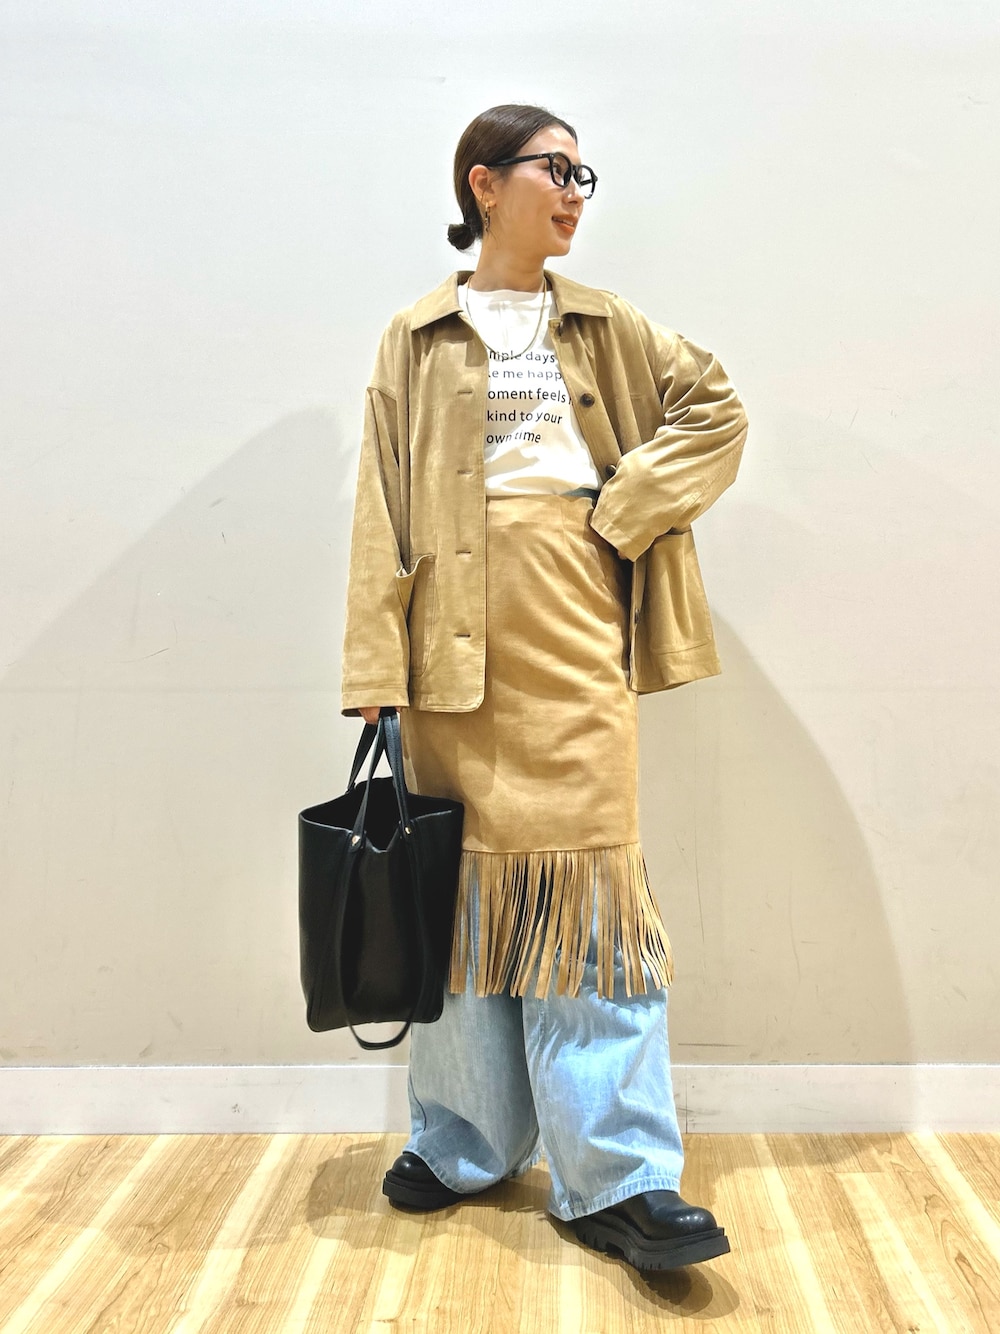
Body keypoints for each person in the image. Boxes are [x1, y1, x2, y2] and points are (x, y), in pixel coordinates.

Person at [341, 103, 748, 1273]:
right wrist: (373, 666)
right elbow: (382, 498)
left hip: (573, 630)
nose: (574, 190)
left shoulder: (606, 322)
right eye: (554, 168)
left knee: (590, 902)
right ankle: (464, 1142)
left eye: (583, 173)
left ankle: (619, 1176)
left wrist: (618, 513)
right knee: (458, 897)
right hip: (447, 650)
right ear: (484, 183)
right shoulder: (415, 335)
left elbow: (716, 410)